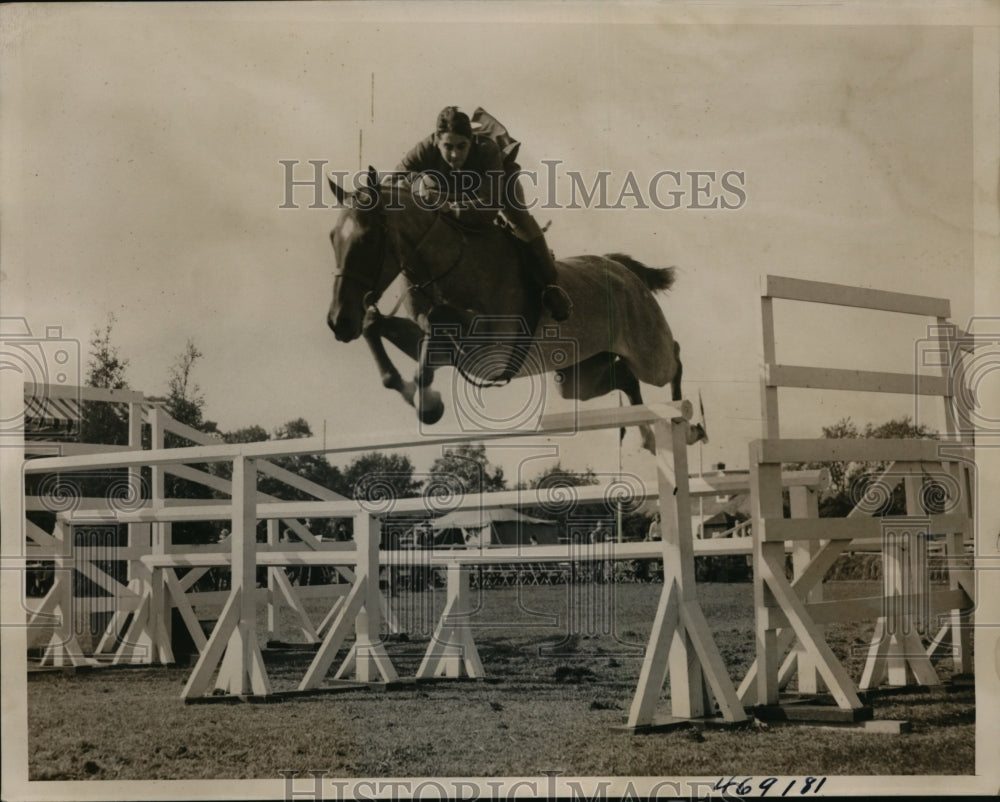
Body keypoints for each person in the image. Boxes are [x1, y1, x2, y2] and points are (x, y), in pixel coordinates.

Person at [392, 106, 572, 322]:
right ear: (436, 141)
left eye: (462, 146)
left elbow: (488, 208)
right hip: (449, 189)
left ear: (472, 141)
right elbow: (394, 179)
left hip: (495, 188)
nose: (454, 154)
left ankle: (551, 285)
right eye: (447, 146)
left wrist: (449, 206)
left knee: (519, 218)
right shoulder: (424, 147)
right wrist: (416, 182)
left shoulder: (487, 150)